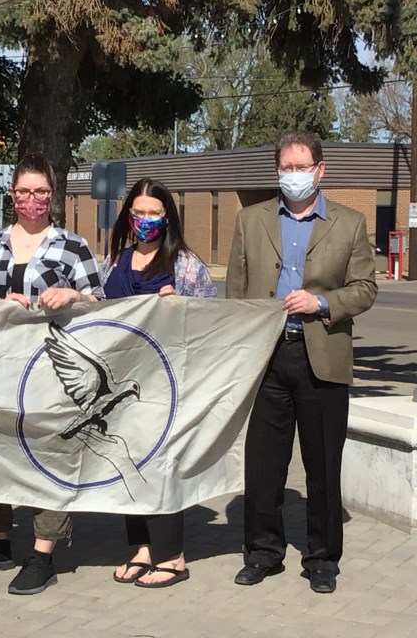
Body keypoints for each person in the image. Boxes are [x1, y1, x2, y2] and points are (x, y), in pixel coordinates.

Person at [225, 131, 377, 594]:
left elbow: (366, 288)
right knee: (264, 463)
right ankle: (264, 552)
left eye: (301, 167)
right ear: (278, 171)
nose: (293, 175)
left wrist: (322, 302)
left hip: (322, 356)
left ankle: (322, 557)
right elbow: (235, 292)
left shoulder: (349, 223)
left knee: (323, 464)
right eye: (286, 167)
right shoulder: (251, 221)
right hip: (267, 357)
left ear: (320, 170)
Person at [0, 152, 105, 595]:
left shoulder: (73, 246)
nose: (32, 200)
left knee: (49, 455)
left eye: (41, 192)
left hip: (51, 371)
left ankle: (43, 555)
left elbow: (102, 306)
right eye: (24, 192)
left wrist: (73, 294)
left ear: (52, 196)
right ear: (12, 194)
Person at [99, 177, 217, 589]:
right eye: (139, 213)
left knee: (162, 466)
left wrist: (180, 309)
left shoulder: (185, 264)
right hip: (123, 385)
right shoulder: (116, 259)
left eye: (154, 213)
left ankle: (172, 555)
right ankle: (142, 548)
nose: (145, 220)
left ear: (168, 217)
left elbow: (210, 322)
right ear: (129, 216)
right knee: (129, 465)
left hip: (166, 387)